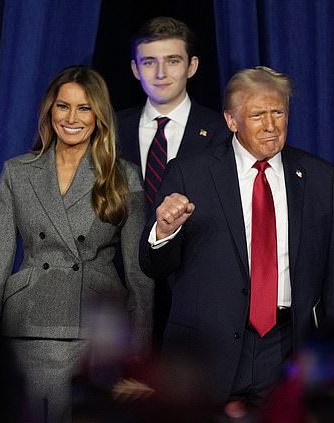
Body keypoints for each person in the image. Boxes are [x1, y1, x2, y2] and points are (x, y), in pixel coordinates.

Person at [139, 66, 334, 407]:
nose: (271, 126)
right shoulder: (189, 173)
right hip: (207, 353)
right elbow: (154, 266)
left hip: (289, 349)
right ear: (231, 121)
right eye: (258, 115)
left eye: (279, 113)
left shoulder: (320, 178)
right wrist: (165, 231)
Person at [0, 66, 153, 423]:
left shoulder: (124, 176)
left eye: (84, 108)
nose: (72, 118)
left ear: (99, 115)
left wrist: (138, 359)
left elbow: (140, 275)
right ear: (49, 111)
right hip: (26, 328)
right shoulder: (18, 171)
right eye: (63, 106)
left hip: (94, 333)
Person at [117, 16, 230, 350]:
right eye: (149, 62)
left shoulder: (223, 132)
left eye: (173, 61)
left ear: (192, 66)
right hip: (124, 300)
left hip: (195, 295)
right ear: (136, 69)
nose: (161, 73)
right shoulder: (110, 130)